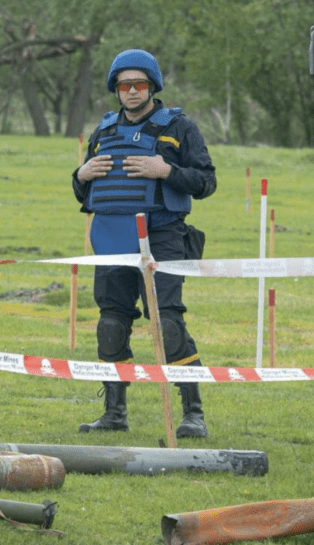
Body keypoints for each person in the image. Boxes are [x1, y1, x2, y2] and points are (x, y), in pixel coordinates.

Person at [72, 49, 217, 438]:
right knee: (111, 326)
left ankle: (193, 414)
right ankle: (114, 413)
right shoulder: (102, 131)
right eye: (124, 85)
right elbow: (84, 194)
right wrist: (81, 175)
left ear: (152, 86)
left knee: (167, 325)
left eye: (139, 84)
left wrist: (166, 170)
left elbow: (206, 182)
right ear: (115, 90)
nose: (132, 91)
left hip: (164, 238)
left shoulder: (178, 127)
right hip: (112, 240)